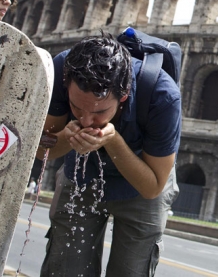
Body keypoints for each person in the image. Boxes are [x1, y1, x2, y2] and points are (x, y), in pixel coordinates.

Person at [38, 33, 181, 277]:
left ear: (123, 95)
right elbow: (43, 151)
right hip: (83, 173)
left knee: (131, 272)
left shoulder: (162, 95)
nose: (85, 120)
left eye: (99, 111)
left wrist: (113, 141)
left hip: (143, 178)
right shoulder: (63, 68)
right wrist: (67, 139)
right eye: (76, 107)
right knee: (65, 270)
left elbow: (152, 187)